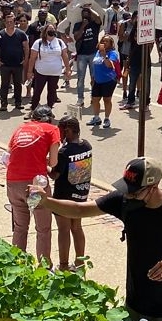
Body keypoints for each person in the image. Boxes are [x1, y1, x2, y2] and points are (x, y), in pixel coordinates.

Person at [32, 158, 162, 321]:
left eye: (135, 192)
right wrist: (46, 202)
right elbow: (79, 210)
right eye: (126, 188)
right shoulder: (125, 201)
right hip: (135, 301)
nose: (129, 195)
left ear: (153, 187)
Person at [5, 106, 61, 266]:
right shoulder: (52, 129)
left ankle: (17, 264)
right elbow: (53, 162)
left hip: (13, 181)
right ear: (49, 118)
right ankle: (44, 266)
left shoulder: (20, 129)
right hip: (36, 184)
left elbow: (10, 153)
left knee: (20, 226)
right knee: (43, 228)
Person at [50, 115, 92, 271]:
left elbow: (55, 174)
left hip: (64, 195)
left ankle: (63, 265)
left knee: (63, 229)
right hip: (81, 194)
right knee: (77, 227)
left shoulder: (64, 151)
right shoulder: (87, 145)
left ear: (67, 131)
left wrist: (46, 165)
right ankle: (80, 263)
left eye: (60, 130)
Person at [26, 23, 68, 109]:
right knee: (37, 91)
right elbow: (32, 58)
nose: (51, 31)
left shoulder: (60, 42)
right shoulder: (39, 42)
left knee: (52, 92)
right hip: (41, 72)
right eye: (49, 29)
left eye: (53, 29)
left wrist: (68, 69)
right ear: (45, 31)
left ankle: (49, 109)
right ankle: (33, 109)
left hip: (55, 72)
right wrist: (30, 71)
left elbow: (65, 55)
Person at [0, 13, 28, 111]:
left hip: (18, 64)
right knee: (4, 85)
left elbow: (26, 47)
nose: (9, 23)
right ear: (5, 22)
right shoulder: (0, 34)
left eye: (11, 22)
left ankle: (18, 103)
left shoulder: (21, 34)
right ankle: (3, 104)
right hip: (4, 64)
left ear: (14, 23)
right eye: (7, 22)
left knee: (18, 84)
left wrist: (25, 59)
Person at [87, 34, 119, 129]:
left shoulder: (113, 53)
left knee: (107, 100)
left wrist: (105, 55)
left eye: (106, 41)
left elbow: (110, 65)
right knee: (95, 99)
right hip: (97, 80)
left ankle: (106, 118)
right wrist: (93, 78)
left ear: (111, 44)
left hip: (108, 80)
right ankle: (96, 118)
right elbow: (96, 65)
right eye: (103, 41)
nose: (104, 42)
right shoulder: (98, 52)